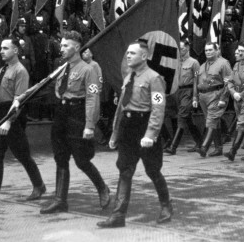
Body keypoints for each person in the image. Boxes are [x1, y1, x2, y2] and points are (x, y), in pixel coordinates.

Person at [17, 31, 109, 214]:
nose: (62, 48)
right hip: (61, 114)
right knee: (60, 157)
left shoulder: (87, 69)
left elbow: (92, 98)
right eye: (62, 44)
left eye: (66, 45)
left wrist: (90, 125)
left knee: (81, 160)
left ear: (76, 47)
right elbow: (44, 84)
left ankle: (102, 188)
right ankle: (60, 200)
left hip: (77, 114)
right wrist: (21, 97)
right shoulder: (62, 67)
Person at [97, 40, 172, 228]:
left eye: (132, 53)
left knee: (152, 170)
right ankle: (118, 215)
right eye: (127, 53)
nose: (128, 55)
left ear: (144, 56)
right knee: (125, 170)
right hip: (128, 127)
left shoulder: (154, 78)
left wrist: (151, 134)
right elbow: (121, 108)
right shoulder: (129, 76)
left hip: (144, 125)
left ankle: (166, 205)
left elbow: (158, 108)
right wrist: (115, 133)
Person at [0, 38, 46, 204]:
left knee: (22, 154)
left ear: (16, 51)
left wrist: (8, 121)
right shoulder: (3, 69)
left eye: (6, 48)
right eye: (1, 48)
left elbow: (20, 100)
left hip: (10, 114)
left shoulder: (20, 71)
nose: (1, 51)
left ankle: (39, 185)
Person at [164, 39, 202, 155]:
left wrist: (195, 97)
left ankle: (173, 147)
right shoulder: (176, 62)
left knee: (181, 116)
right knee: (188, 120)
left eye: (181, 48)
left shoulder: (194, 63)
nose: (180, 51)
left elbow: (197, 80)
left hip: (189, 91)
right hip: (177, 92)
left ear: (187, 48)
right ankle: (200, 143)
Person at [195, 42, 232, 157]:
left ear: (217, 51)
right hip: (203, 97)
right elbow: (197, 82)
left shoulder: (223, 63)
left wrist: (223, 98)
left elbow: (229, 81)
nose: (208, 52)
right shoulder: (202, 65)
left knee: (211, 121)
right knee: (213, 121)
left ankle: (204, 147)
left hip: (216, 95)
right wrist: (196, 97)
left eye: (211, 50)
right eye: (206, 50)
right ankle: (218, 148)